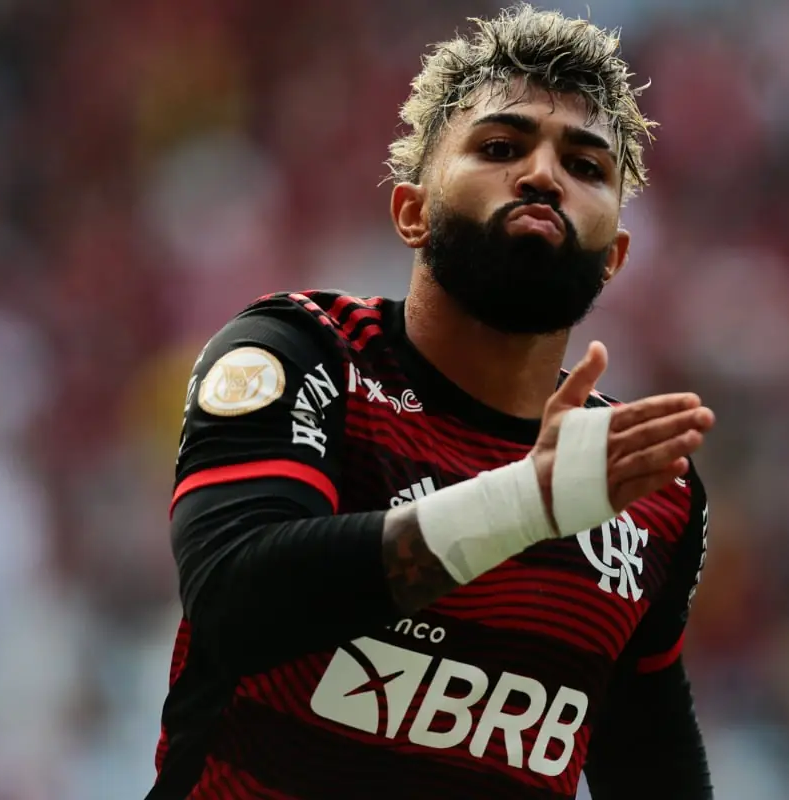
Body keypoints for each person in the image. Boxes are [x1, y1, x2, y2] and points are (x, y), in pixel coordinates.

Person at [148, 5, 716, 798]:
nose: (543, 176)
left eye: (586, 166)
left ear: (614, 256)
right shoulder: (304, 354)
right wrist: (524, 504)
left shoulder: (646, 494)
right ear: (411, 212)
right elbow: (234, 602)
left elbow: (654, 768)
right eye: (500, 147)